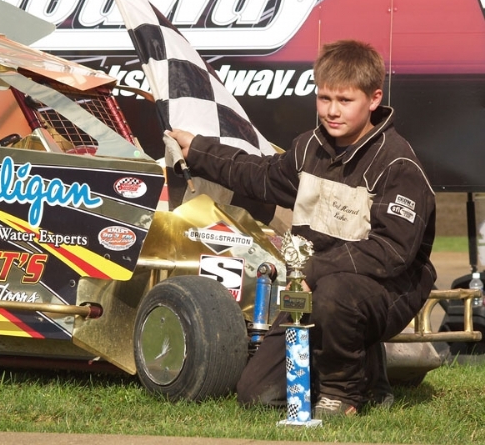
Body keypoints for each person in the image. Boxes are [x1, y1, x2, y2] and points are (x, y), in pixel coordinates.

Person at [168, 39, 436, 419]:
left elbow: (391, 251)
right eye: (324, 98)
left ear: (374, 99)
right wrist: (197, 150)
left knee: (337, 293)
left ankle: (342, 394)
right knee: (257, 394)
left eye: (345, 101)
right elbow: (257, 175)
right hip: (316, 288)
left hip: (391, 287)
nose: (332, 111)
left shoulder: (398, 165)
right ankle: (369, 375)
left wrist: (311, 272)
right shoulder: (308, 148)